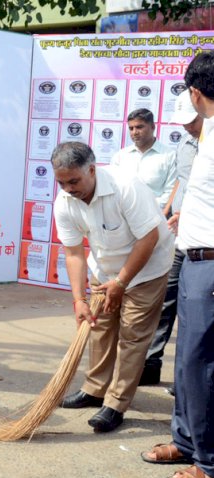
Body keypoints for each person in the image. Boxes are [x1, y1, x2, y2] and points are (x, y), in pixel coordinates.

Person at [52, 141, 173, 433]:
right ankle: (94, 389)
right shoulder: (63, 202)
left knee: (132, 335)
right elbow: (74, 253)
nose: (68, 188)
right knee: (100, 326)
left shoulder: (125, 187)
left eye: (74, 181)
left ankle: (116, 403)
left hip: (147, 269)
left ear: (92, 170)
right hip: (104, 268)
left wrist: (121, 282)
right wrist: (79, 300)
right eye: (62, 182)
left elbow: (149, 238)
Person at [141, 52, 214, 478]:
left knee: (201, 364)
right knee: (186, 359)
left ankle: (208, 461)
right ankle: (185, 442)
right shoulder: (205, 137)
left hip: (211, 263)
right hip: (193, 260)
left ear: (195, 92)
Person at [139, 90, 203, 388]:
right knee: (166, 301)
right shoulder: (187, 144)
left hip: (204, 239)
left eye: (191, 120)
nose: (186, 126)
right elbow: (182, 182)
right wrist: (169, 212)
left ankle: (189, 381)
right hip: (178, 235)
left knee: (197, 312)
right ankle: (151, 365)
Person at [110, 108, 176, 210]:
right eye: (131, 128)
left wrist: (144, 209)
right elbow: (112, 188)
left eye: (139, 127)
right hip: (123, 216)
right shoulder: (120, 156)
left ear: (153, 127)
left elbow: (171, 192)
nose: (134, 132)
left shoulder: (169, 156)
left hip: (156, 216)